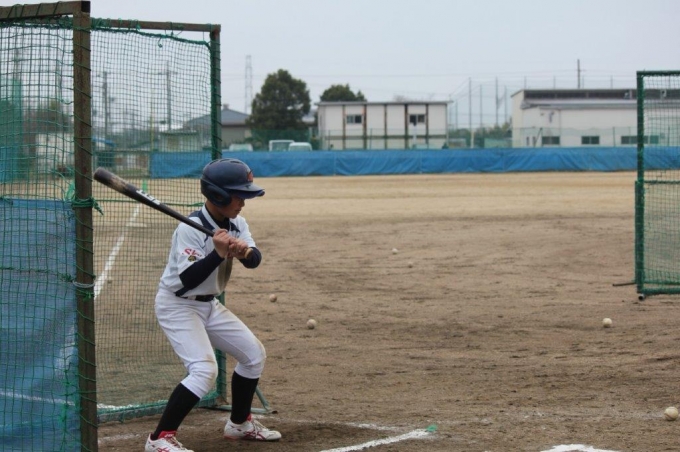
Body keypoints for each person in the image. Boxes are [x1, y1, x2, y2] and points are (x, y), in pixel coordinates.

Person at [145, 158, 281, 452]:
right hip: (177, 305)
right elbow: (189, 279)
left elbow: (255, 260)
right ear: (218, 195)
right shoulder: (190, 228)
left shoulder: (237, 223)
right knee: (204, 370)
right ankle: (159, 439)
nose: (242, 202)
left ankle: (240, 424)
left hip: (208, 305)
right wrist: (218, 254)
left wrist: (244, 252)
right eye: (237, 195)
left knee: (253, 355)